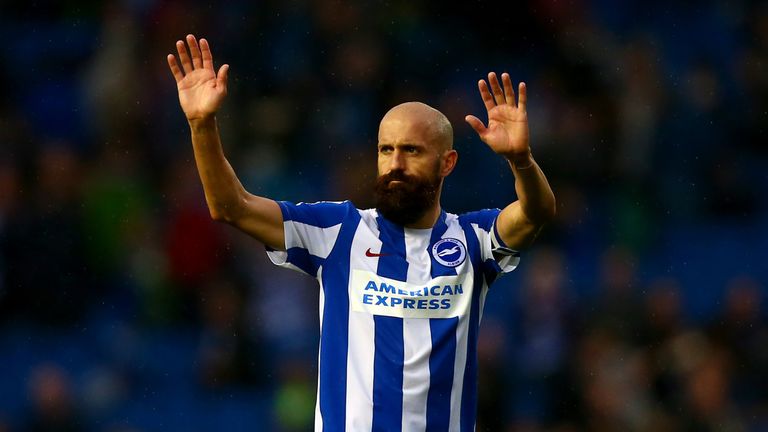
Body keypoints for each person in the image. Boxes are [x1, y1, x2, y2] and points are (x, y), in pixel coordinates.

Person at [167, 34, 556, 432]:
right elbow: (230, 206)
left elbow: (536, 212)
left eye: (412, 151)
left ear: (447, 163)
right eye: (386, 150)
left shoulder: (473, 239)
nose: (395, 163)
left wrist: (521, 161)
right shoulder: (338, 232)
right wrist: (202, 125)